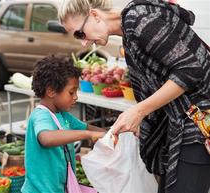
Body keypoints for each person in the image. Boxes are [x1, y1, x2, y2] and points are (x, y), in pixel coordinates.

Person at [58, 0, 210, 193]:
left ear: (95, 15)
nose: (83, 42)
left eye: (80, 33)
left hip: (199, 122)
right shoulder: (129, 32)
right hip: (187, 122)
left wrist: (140, 111)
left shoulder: (139, 21)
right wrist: (143, 118)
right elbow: (154, 87)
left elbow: (189, 70)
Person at [21, 55, 106, 193]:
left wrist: (116, 132)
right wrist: (88, 134)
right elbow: (46, 139)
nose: (76, 97)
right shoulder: (41, 115)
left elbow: (87, 127)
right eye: (71, 92)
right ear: (51, 91)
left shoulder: (62, 115)